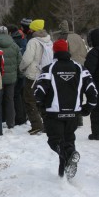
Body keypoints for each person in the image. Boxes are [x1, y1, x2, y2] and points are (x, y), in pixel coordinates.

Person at [34, 39, 97, 179]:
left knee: (55, 142)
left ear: (54, 51)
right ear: (67, 50)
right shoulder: (80, 68)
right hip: (74, 114)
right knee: (68, 141)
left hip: (54, 114)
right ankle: (64, 175)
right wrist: (88, 107)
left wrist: (41, 107)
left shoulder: (49, 69)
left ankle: (69, 155)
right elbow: (93, 92)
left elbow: (38, 93)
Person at [19, 19, 52, 135]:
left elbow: (27, 59)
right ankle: (48, 125)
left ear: (34, 29)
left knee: (29, 100)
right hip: (46, 74)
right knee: (43, 100)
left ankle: (37, 125)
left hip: (33, 75)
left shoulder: (33, 41)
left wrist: (21, 67)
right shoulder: (48, 40)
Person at [58, 20, 88, 127]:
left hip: (70, 67)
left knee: (69, 93)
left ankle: (73, 118)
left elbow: (62, 53)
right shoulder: (78, 37)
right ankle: (79, 118)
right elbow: (85, 51)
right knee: (78, 92)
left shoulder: (63, 38)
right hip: (82, 66)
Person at [0, 26, 22, 129]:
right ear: (8, 33)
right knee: (10, 100)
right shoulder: (15, 46)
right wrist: (20, 75)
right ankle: (11, 122)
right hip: (11, 78)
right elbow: (19, 63)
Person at [7, 24, 28, 125]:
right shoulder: (24, 40)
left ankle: (19, 118)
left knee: (15, 95)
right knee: (22, 95)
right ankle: (23, 116)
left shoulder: (13, 42)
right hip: (24, 71)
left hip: (16, 72)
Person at [85, 28, 99, 140]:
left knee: (96, 110)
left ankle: (97, 133)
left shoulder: (94, 53)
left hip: (96, 86)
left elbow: (88, 71)